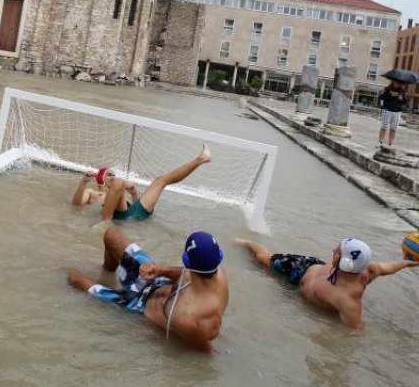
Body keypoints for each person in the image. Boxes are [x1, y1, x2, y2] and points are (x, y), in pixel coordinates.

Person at [67, 226, 228, 352]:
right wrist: (160, 270)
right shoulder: (218, 271)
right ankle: (107, 272)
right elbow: (184, 272)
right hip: (155, 282)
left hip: (135, 306)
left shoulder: (193, 321)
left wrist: (151, 335)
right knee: (111, 235)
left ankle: (56, 266)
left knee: (75, 279)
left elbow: (202, 356)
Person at [236, 237, 418, 329]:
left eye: (338, 251)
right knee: (263, 258)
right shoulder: (368, 268)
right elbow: (390, 266)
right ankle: (245, 242)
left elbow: (355, 332)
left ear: (346, 262)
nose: (333, 249)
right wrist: (406, 262)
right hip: (305, 267)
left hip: (300, 289)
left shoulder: (348, 301)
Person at [72, 144, 211, 222]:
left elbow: (131, 210)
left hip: (134, 213)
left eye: (114, 174)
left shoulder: (118, 190)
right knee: (120, 183)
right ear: (101, 179)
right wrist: (83, 182)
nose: (113, 176)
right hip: (118, 216)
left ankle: (202, 159)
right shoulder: (94, 193)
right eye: (109, 175)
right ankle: (104, 224)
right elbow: (76, 204)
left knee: (161, 180)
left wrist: (133, 194)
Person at [378, 80, 407, 147]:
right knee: (384, 126)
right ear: (393, 82)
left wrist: (401, 99)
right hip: (387, 110)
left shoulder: (402, 91)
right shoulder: (387, 89)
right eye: (397, 82)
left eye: (399, 83)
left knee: (394, 128)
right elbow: (381, 97)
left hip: (397, 111)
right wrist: (390, 95)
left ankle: (390, 143)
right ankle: (380, 141)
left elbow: (405, 102)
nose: (398, 84)